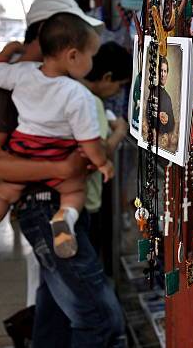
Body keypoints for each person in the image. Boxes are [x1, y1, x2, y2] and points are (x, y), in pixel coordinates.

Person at [0, 0, 126, 347]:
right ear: (51, 32)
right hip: (43, 205)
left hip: (63, 208)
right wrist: (63, 165)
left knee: (55, 310)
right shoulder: (12, 83)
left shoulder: (56, 79)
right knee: (100, 318)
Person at [0, 13, 114, 260]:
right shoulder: (78, 95)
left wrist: (7, 51)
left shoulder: (22, 73)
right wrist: (102, 163)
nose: (92, 62)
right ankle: (64, 218)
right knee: (74, 191)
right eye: (92, 55)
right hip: (59, 150)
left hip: (23, 148)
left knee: (3, 192)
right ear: (73, 56)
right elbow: (88, 142)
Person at [78, 41, 131, 255]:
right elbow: (99, 152)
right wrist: (120, 130)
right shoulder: (92, 102)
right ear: (107, 77)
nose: (119, 92)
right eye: (119, 85)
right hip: (84, 200)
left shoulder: (71, 90)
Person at [146, 56, 175, 134]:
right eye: (161, 71)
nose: (162, 74)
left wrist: (167, 119)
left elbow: (172, 124)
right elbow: (147, 113)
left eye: (165, 71)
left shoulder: (168, 98)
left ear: (167, 74)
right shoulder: (152, 90)